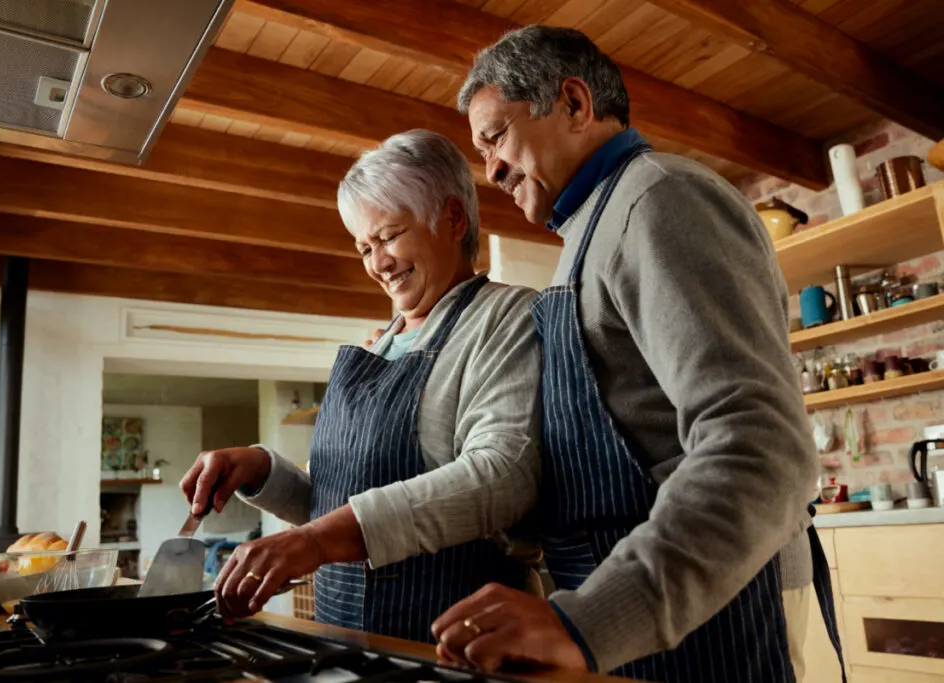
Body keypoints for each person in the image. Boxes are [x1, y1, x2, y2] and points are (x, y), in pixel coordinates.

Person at [431, 25, 844, 682]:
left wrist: (590, 618)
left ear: (573, 103)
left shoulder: (657, 198)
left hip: (714, 607)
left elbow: (759, 446)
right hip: (638, 619)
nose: (493, 169)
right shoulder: (588, 234)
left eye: (496, 137)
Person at [180, 129, 543, 644]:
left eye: (390, 236)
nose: (377, 264)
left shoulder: (506, 317)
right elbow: (331, 501)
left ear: (453, 218)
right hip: (343, 637)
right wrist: (262, 470)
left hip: (451, 642)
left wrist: (317, 541)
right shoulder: (379, 344)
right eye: (364, 247)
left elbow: (501, 477)